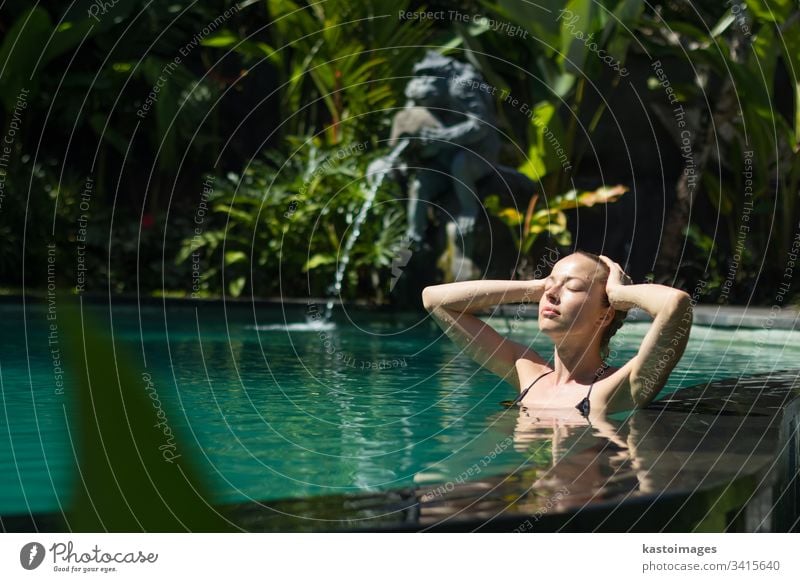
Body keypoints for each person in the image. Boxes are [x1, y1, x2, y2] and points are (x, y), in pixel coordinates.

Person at [421, 250, 693, 416]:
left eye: (572, 287)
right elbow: (435, 299)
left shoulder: (620, 387)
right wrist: (537, 286)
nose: (551, 293)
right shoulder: (527, 373)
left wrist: (617, 293)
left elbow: (675, 305)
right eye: (550, 286)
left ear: (605, 314)